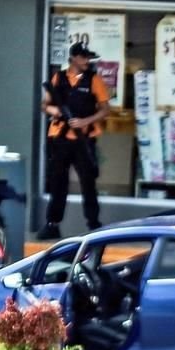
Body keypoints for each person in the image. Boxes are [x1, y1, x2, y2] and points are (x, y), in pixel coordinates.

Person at [37, 42, 111, 240]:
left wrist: (84, 121)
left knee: (88, 183)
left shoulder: (94, 80)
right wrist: (58, 111)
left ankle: (94, 224)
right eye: (84, 57)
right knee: (57, 183)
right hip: (59, 138)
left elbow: (105, 110)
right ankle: (52, 224)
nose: (87, 61)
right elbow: (45, 105)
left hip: (83, 138)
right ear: (74, 58)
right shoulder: (58, 78)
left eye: (88, 57)